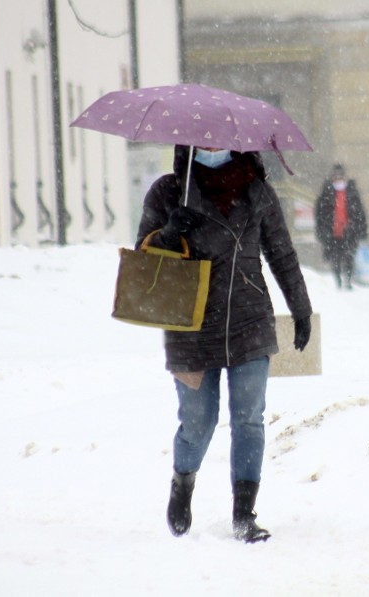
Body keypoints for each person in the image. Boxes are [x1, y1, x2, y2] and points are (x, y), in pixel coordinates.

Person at [135, 145, 313, 543]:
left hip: (249, 320)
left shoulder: (258, 192)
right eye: (206, 141)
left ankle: (244, 514)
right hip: (189, 325)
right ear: (190, 144)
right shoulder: (168, 192)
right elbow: (141, 259)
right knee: (199, 422)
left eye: (222, 142)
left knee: (249, 417)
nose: (214, 148)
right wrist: (168, 234)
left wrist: (300, 309)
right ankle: (183, 482)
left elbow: (281, 252)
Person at [314, 163, 368, 289]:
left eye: (341, 176)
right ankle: (338, 280)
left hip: (349, 231)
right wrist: (321, 230)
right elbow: (319, 214)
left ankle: (348, 280)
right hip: (332, 232)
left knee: (349, 257)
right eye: (336, 176)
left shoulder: (352, 192)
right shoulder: (326, 193)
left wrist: (362, 228)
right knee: (335, 258)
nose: (338, 179)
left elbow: (359, 212)